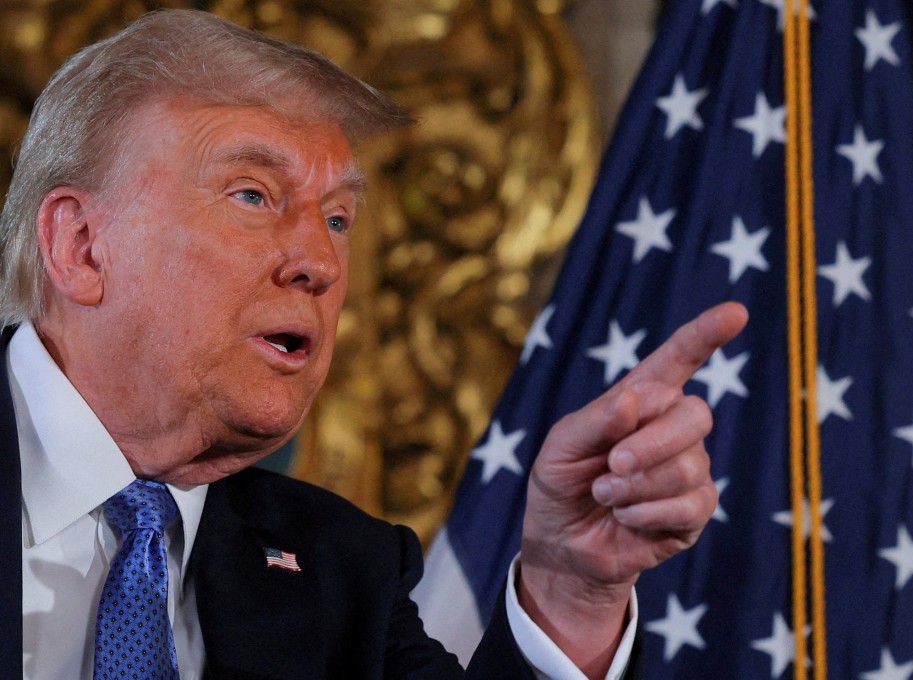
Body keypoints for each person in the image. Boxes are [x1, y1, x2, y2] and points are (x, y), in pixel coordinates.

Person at [0, 9, 748, 679]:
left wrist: (572, 592)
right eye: (254, 194)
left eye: (337, 218)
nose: (321, 264)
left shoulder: (342, 569)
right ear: (83, 246)